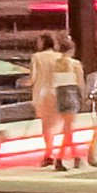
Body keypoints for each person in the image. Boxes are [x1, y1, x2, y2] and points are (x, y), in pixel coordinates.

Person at [24, 37, 79, 169]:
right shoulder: (60, 57)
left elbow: (33, 78)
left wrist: (23, 82)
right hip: (59, 91)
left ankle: (49, 154)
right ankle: (73, 155)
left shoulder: (37, 57)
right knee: (66, 125)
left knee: (47, 127)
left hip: (43, 94)